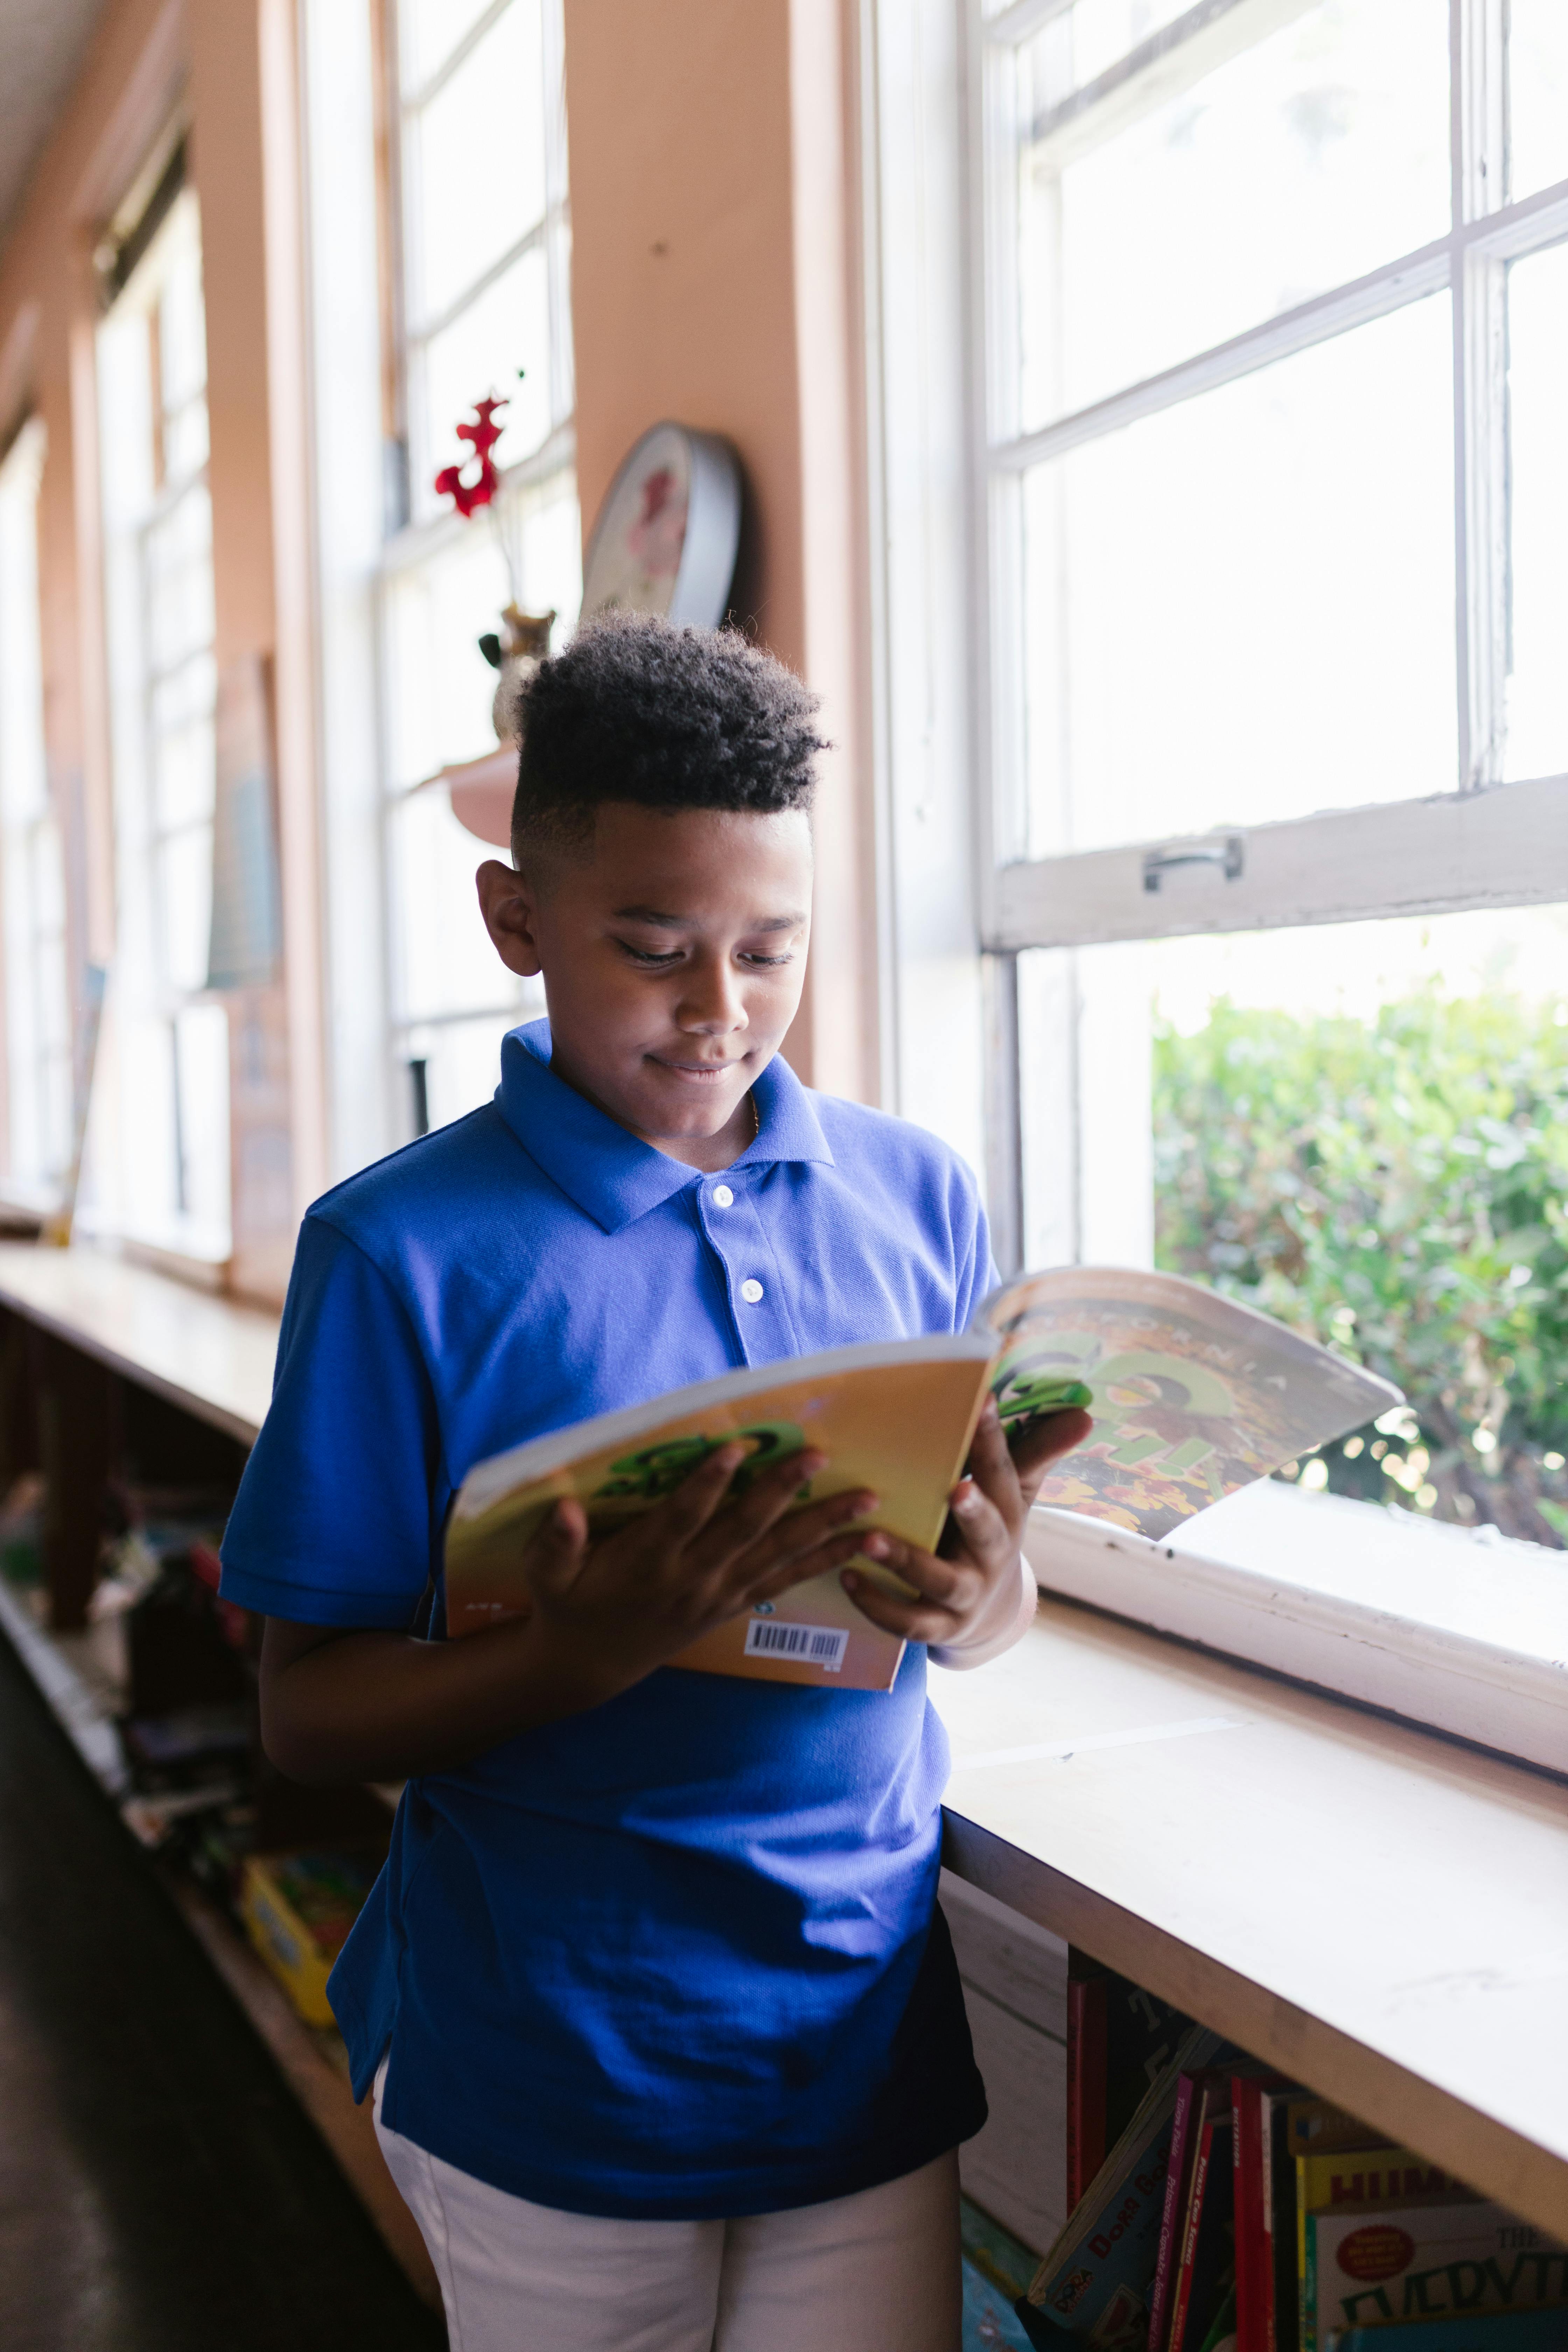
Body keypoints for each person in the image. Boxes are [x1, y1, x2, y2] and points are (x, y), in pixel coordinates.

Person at [219, 614, 1090, 2352]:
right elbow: (305, 1717)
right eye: (654, 948)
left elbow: (966, 1590)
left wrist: (990, 1596)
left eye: (770, 952)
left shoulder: (913, 1197)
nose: (720, 1011)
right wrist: (580, 1648)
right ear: (517, 922)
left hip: (852, 2028)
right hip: (555, 2056)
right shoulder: (399, 1253)